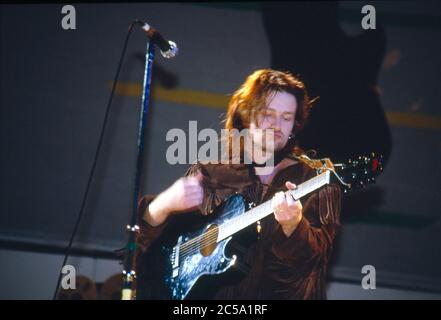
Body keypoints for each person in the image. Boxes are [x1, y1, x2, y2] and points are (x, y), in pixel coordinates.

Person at [135, 69, 341, 299]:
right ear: (246, 115)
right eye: (267, 114)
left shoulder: (315, 180)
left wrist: (294, 227)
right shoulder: (209, 174)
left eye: (286, 117)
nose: (277, 124)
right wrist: (160, 208)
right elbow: (147, 259)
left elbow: (312, 266)